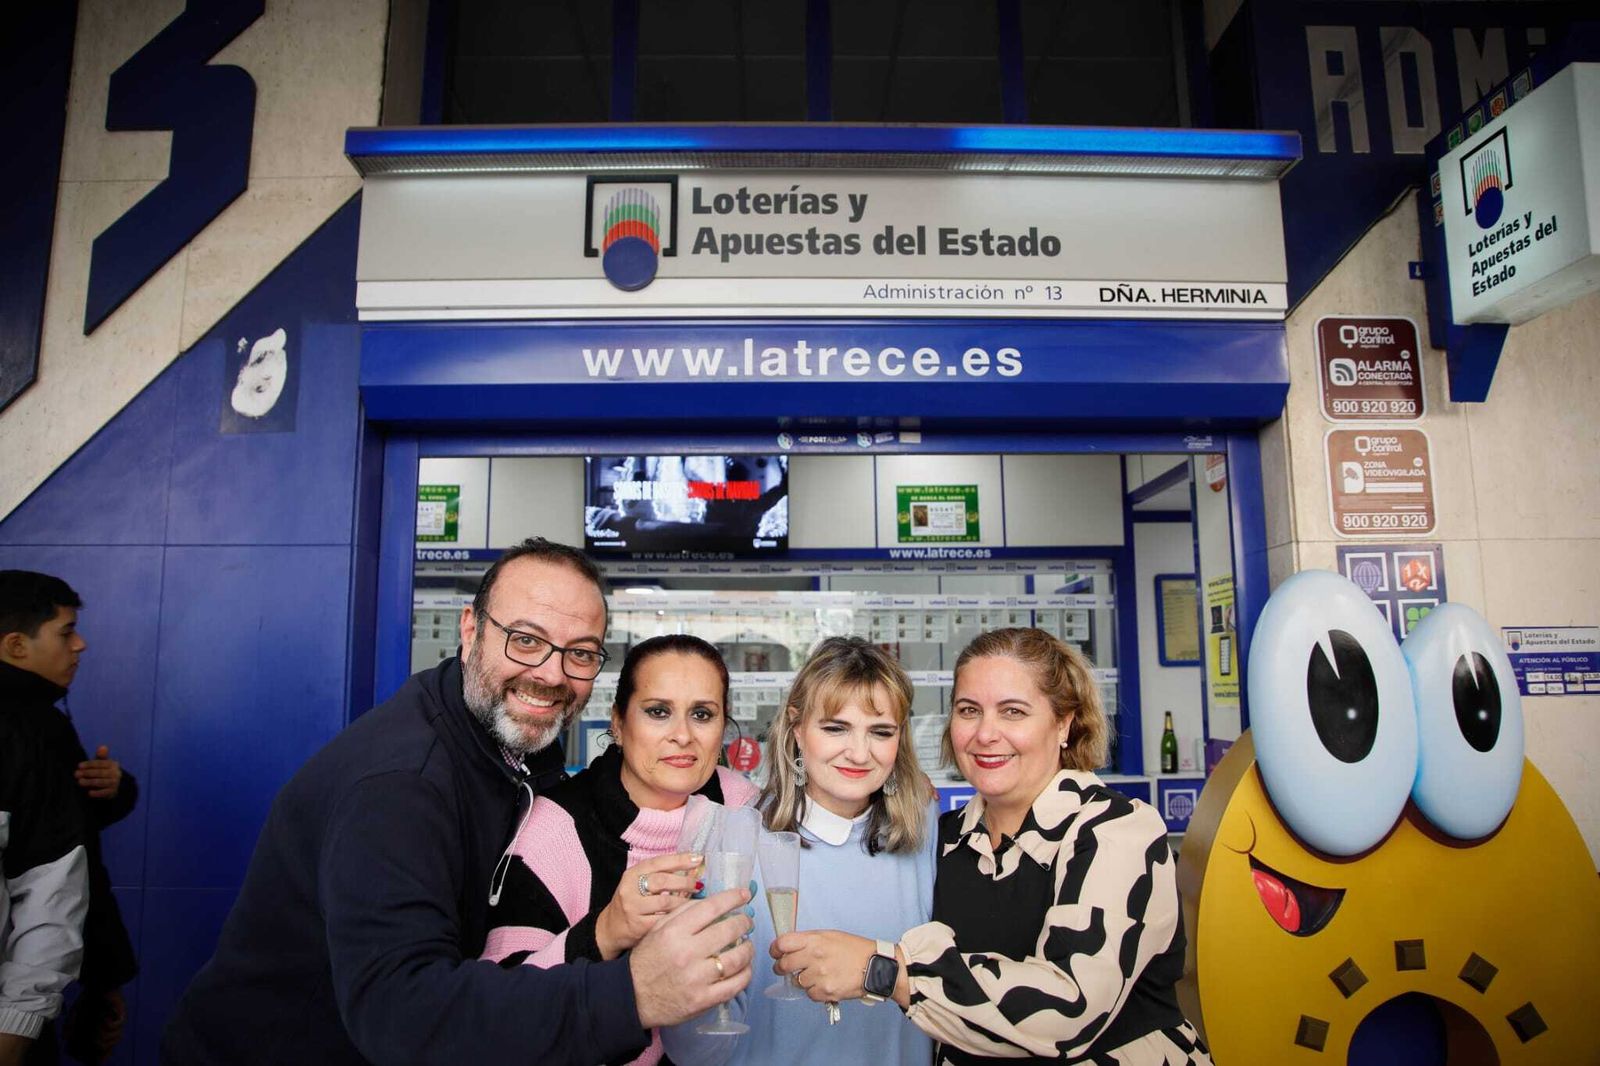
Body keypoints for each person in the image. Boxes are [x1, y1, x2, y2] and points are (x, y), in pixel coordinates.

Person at [162, 538, 753, 1065]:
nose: (550, 675)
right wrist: (631, 992)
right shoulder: (400, 786)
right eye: (525, 640)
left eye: (579, 653)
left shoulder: (514, 739)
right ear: (471, 629)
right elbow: (402, 1012)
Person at [773, 628, 1210, 1064]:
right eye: (969, 710)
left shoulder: (1115, 830)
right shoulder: (943, 838)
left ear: (1064, 722)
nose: (985, 734)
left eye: (1013, 712)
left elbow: (1070, 1011)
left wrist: (885, 970)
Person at [483, 634, 760, 1065]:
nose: (682, 735)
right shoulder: (553, 831)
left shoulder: (747, 808)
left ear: (723, 727)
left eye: (702, 714)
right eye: (658, 712)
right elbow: (499, 1010)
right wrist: (605, 931)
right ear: (617, 722)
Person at [665, 636, 938, 1066]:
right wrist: (688, 983)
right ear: (796, 728)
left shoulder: (927, 834)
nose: (859, 752)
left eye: (880, 731)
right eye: (835, 728)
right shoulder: (739, 841)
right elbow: (697, 1051)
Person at [0, 572, 137, 1066]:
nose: (80, 644)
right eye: (65, 631)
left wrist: (113, 789)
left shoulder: (40, 723)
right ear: (16, 645)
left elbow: (52, 836)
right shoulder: (30, 729)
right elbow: (51, 882)